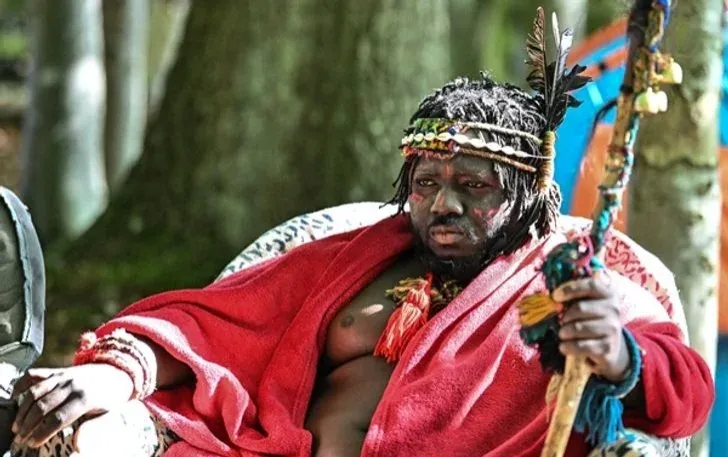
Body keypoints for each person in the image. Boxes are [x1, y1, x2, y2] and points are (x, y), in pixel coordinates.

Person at [4, 18, 715, 457]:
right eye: (427, 182)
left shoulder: (567, 281)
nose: (443, 204)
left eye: (474, 187)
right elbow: (215, 323)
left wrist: (619, 354)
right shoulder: (357, 255)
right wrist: (113, 373)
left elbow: (684, 390)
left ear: (526, 194)